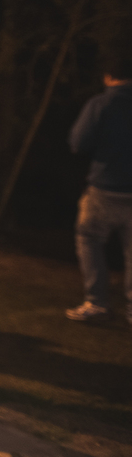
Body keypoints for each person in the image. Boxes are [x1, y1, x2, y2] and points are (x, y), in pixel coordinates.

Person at [66, 56, 132, 324]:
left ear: (108, 77)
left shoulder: (101, 104)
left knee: (90, 239)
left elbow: (79, 142)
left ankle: (97, 302)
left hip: (105, 188)